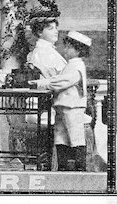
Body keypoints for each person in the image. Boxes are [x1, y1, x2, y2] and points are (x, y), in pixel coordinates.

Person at [33, 30, 91, 171]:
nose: (65, 50)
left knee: (75, 136)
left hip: (72, 107)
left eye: (69, 47)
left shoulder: (76, 66)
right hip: (63, 106)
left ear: (78, 50)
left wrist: (41, 83)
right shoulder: (70, 64)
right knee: (60, 136)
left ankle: (80, 168)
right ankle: (62, 167)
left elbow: (61, 82)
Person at [26, 12, 66, 80]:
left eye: (56, 28)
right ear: (39, 32)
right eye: (51, 29)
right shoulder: (43, 52)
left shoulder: (47, 50)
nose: (56, 32)